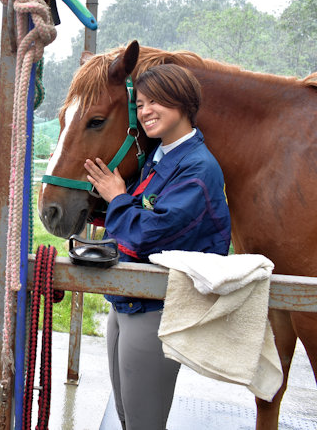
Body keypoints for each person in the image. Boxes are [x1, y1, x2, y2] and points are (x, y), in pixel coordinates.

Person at [84, 63, 231, 430]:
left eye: (157, 101)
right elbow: (138, 209)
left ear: (183, 102)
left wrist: (117, 198)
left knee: (143, 423)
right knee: (125, 414)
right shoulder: (158, 157)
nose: (146, 111)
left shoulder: (198, 167)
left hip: (157, 309)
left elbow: (152, 234)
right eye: (143, 103)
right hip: (127, 301)